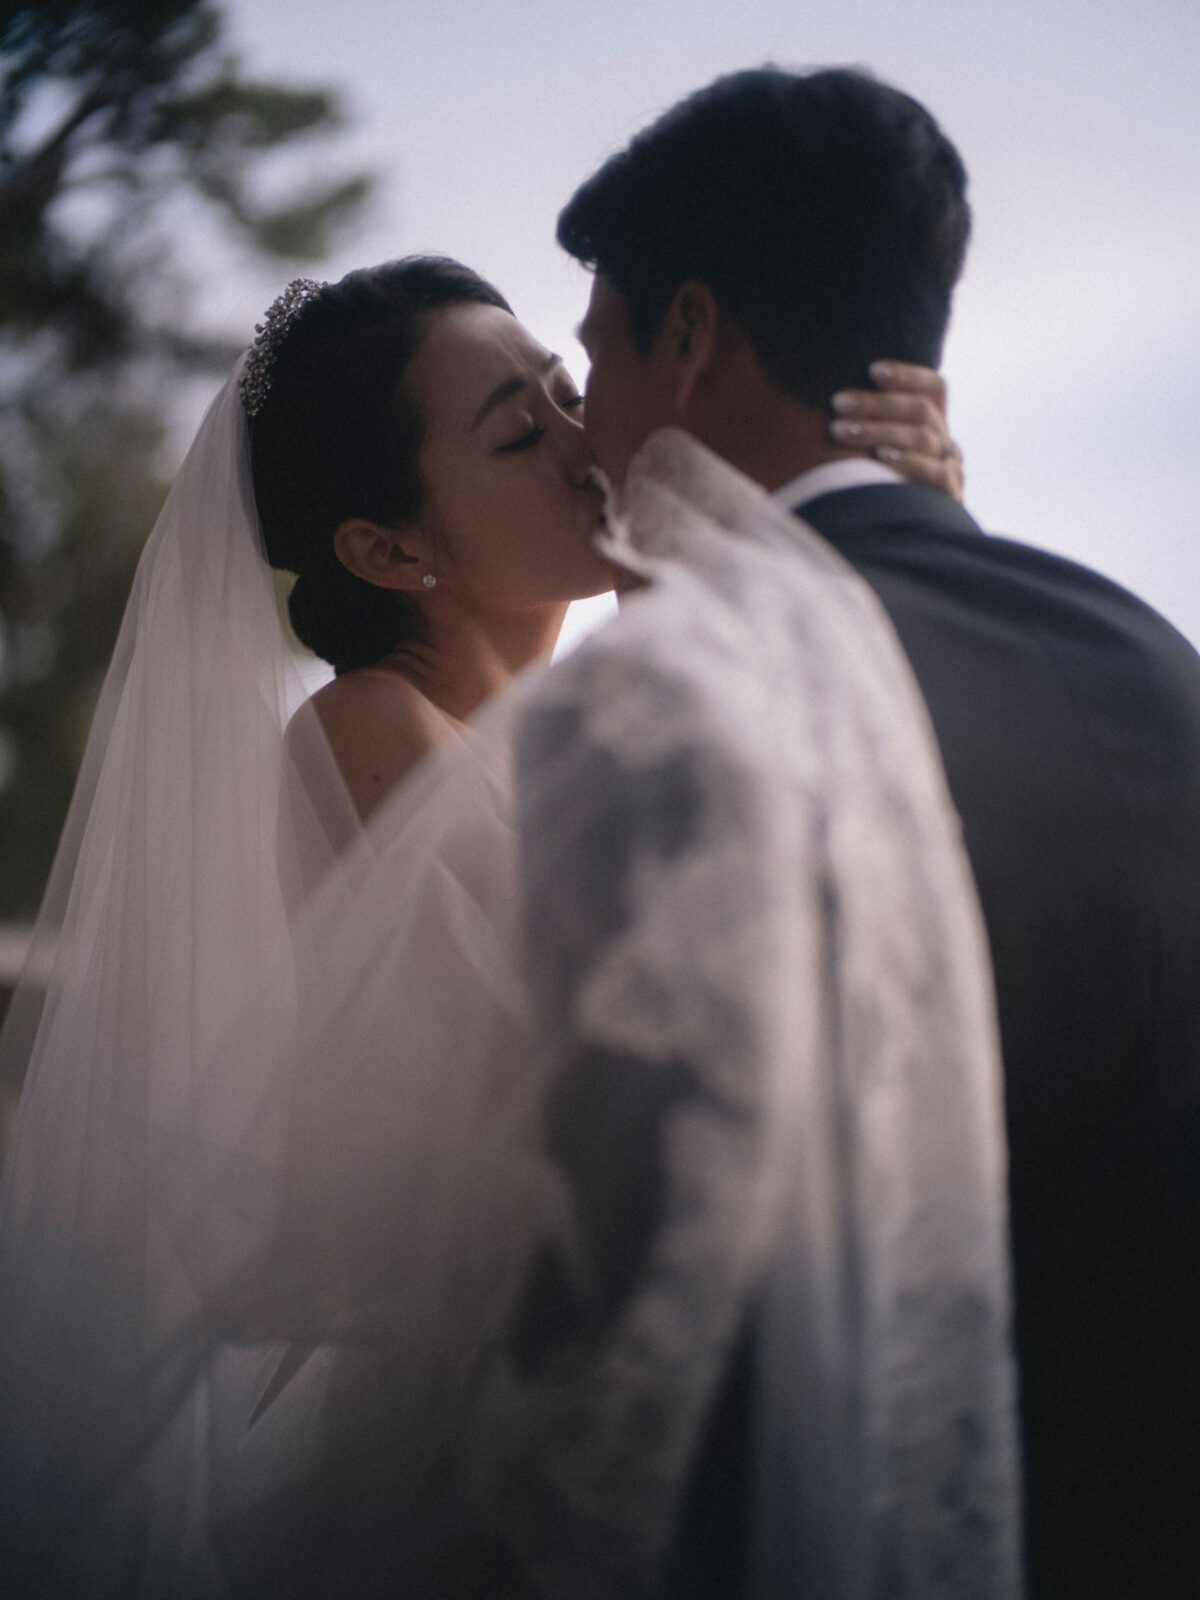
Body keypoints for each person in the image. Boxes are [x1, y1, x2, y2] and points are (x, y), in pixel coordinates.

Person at [0, 249, 964, 1600]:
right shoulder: (366, 726)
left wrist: (903, 534)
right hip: (499, 1456)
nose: (587, 440)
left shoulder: (591, 713)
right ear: (392, 549)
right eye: (522, 430)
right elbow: (631, 1013)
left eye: (568, 390)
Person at [485, 64, 1200, 1600]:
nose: (583, 427)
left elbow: (627, 1395)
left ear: (690, 338)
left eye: (596, 354)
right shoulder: (1162, 665)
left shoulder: (669, 705)